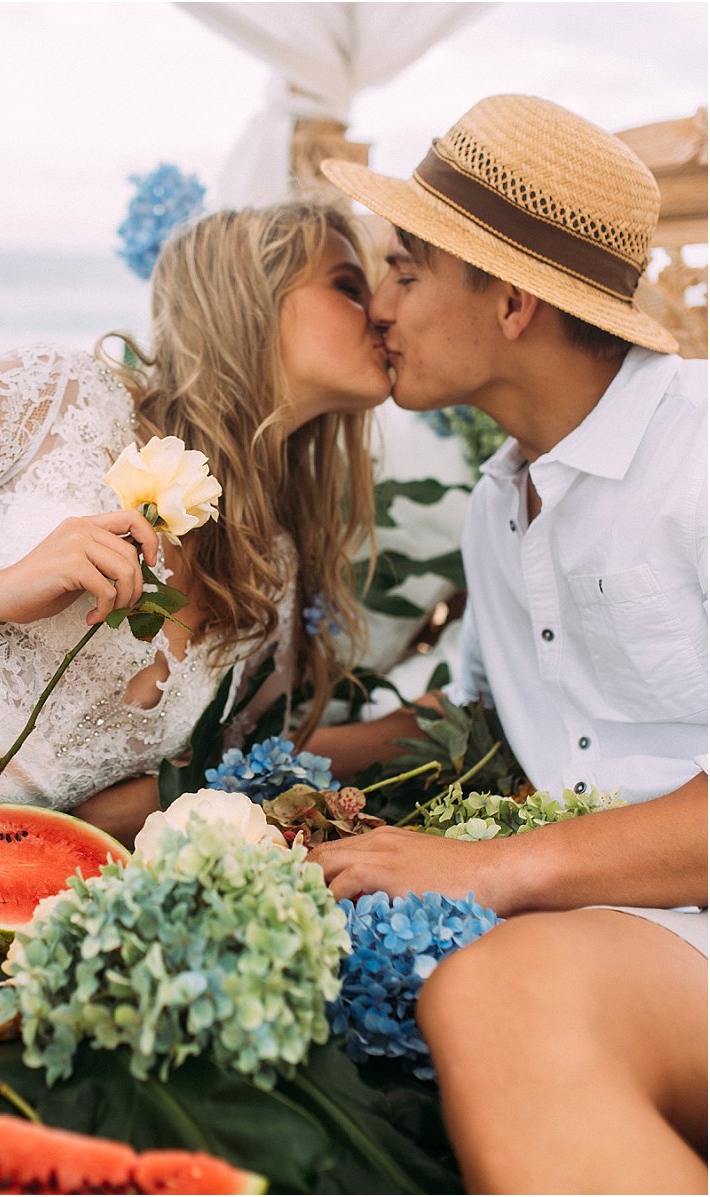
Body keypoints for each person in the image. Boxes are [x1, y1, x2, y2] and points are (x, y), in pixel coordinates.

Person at [308, 95, 707, 1194]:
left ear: (513, 299)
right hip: (632, 943)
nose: (378, 306)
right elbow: (467, 713)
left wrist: (489, 871)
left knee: (494, 991)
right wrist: (231, 780)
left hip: (642, 931)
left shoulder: (703, 455)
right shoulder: (500, 502)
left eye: (406, 270)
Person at [0, 201, 391, 845]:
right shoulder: (61, 398)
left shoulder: (271, 565)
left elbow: (221, 754)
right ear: (252, 296)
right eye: (348, 287)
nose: (382, 312)